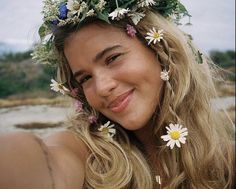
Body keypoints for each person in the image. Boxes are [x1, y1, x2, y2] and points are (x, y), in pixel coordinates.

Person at [0, 0, 235, 188]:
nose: (102, 88)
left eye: (112, 58)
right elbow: (46, 166)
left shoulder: (224, 162)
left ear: (160, 51)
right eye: (85, 78)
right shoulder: (85, 155)